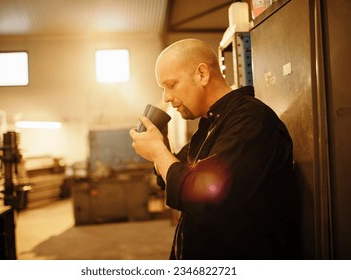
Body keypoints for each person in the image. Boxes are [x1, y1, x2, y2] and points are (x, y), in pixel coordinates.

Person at [129, 38, 301, 260]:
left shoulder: (251, 121)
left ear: (202, 74)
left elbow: (205, 202)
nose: (167, 98)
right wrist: (161, 146)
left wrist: (158, 152)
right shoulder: (210, 125)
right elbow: (173, 178)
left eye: (171, 85)